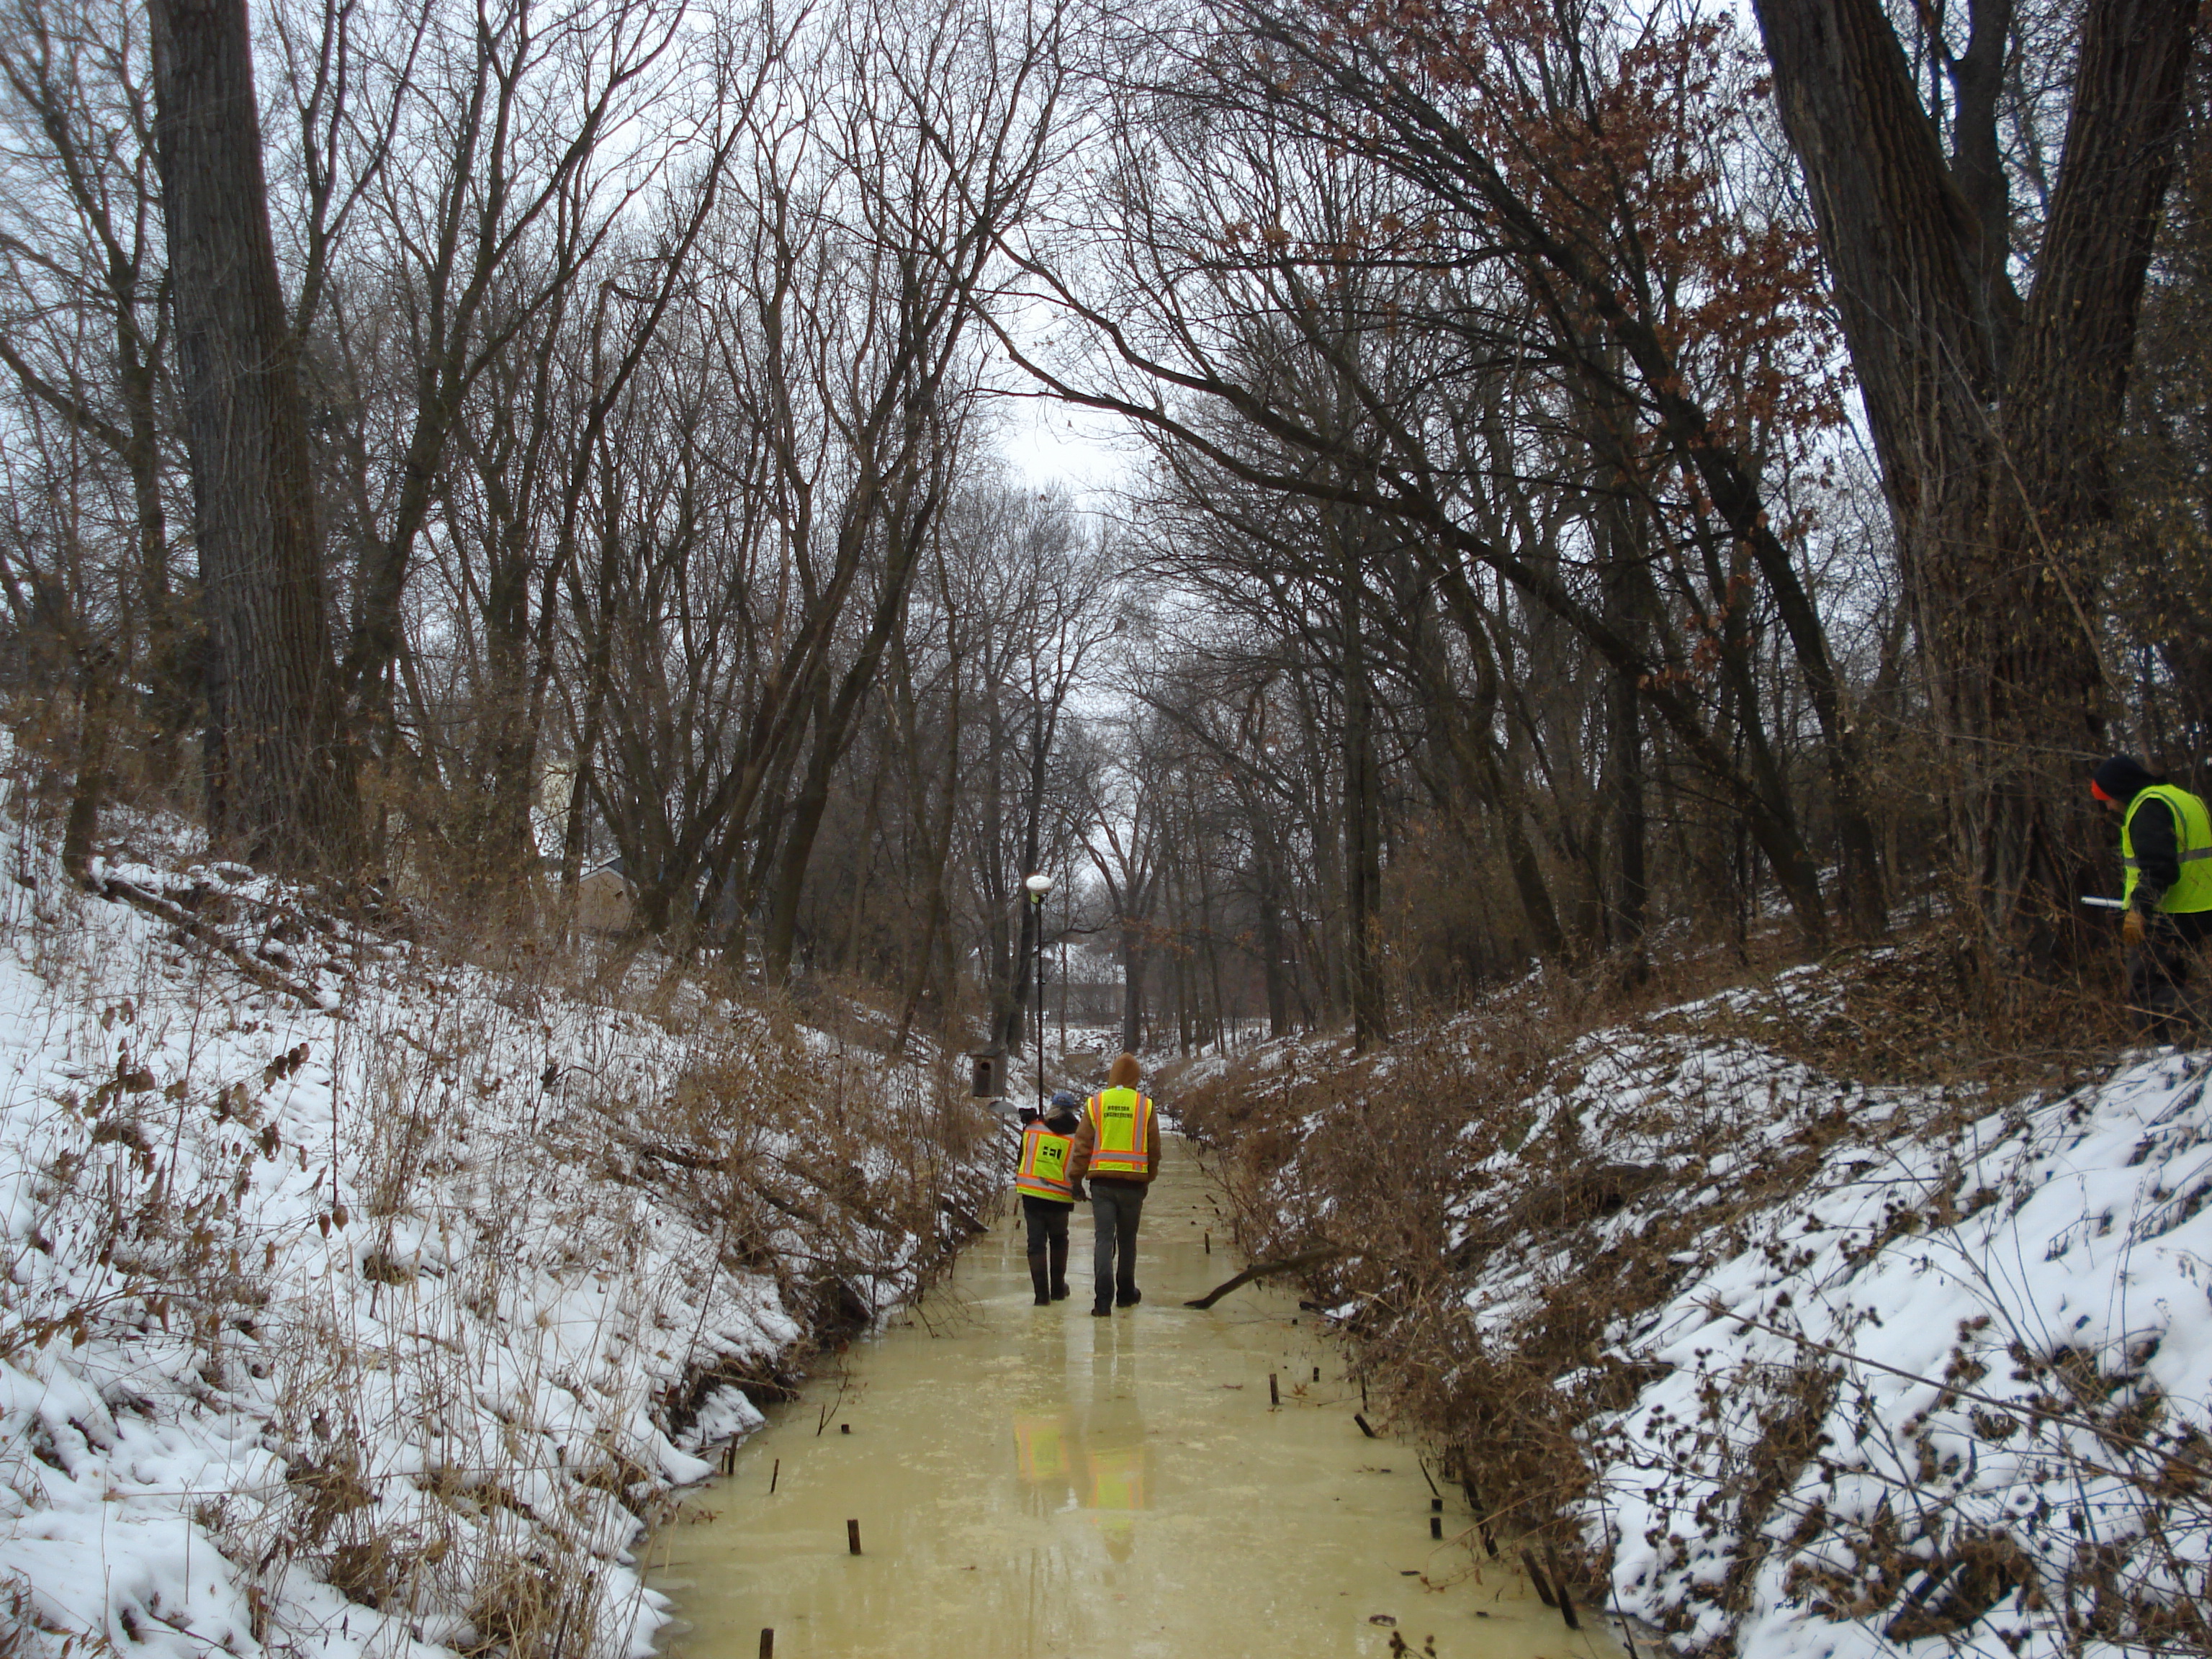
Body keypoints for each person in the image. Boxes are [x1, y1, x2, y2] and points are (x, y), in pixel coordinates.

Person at [2093, 755, 2212, 1029]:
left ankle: (2162, 1053)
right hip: (2199, 910)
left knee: (2146, 993)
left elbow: (2158, 869)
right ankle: (2179, 1054)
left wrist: (2138, 911)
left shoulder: (2149, 809)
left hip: (2168, 914)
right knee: (2174, 983)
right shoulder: (2182, 798)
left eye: (2108, 798)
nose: (2108, 806)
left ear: (2121, 789)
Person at [1067, 1054, 1162, 1317]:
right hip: (1133, 1185)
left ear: (1112, 1075)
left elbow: (1083, 1144)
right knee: (1128, 1240)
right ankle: (1126, 1294)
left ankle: (1102, 1301)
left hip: (1102, 1184)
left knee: (1104, 1239)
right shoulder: (1145, 1106)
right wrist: (1148, 1177)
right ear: (1136, 1077)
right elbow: (1154, 1149)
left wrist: (1076, 1178)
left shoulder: (1097, 1103)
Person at [1014, 1092, 1083, 1305]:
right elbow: (1080, 1167)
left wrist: (1031, 1120)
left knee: (1036, 1245)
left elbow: (1021, 1158)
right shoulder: (1078, 1136)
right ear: (1073, 1111)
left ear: (1052, 1108)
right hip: (1060, 1198)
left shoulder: (1033, 1128)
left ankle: (1041, 1297)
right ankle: (1058, 1290)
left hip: (1033, 1195)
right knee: (1059, 1240)